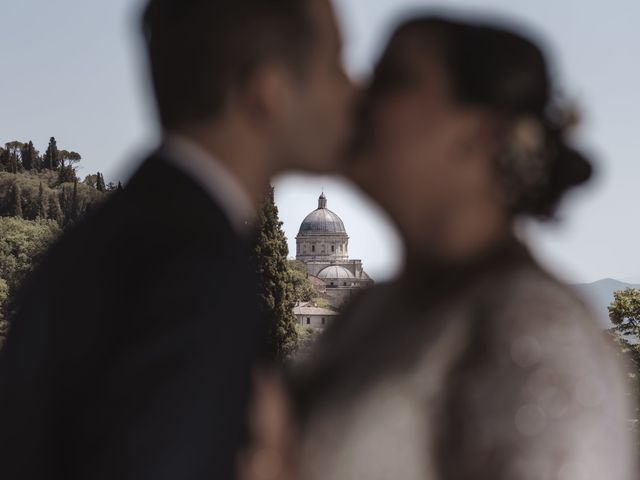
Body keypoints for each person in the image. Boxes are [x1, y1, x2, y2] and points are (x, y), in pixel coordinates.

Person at [246, 16, 636, 480]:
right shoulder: (370, 308)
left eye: (393, 79)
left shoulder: (531, 330)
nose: (357, 95)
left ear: (478, 134)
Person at [0, 0, 353, 479]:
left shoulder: (114, 242)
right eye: (336, 65)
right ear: (267, 92)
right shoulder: (193, 270)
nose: (355, 89)